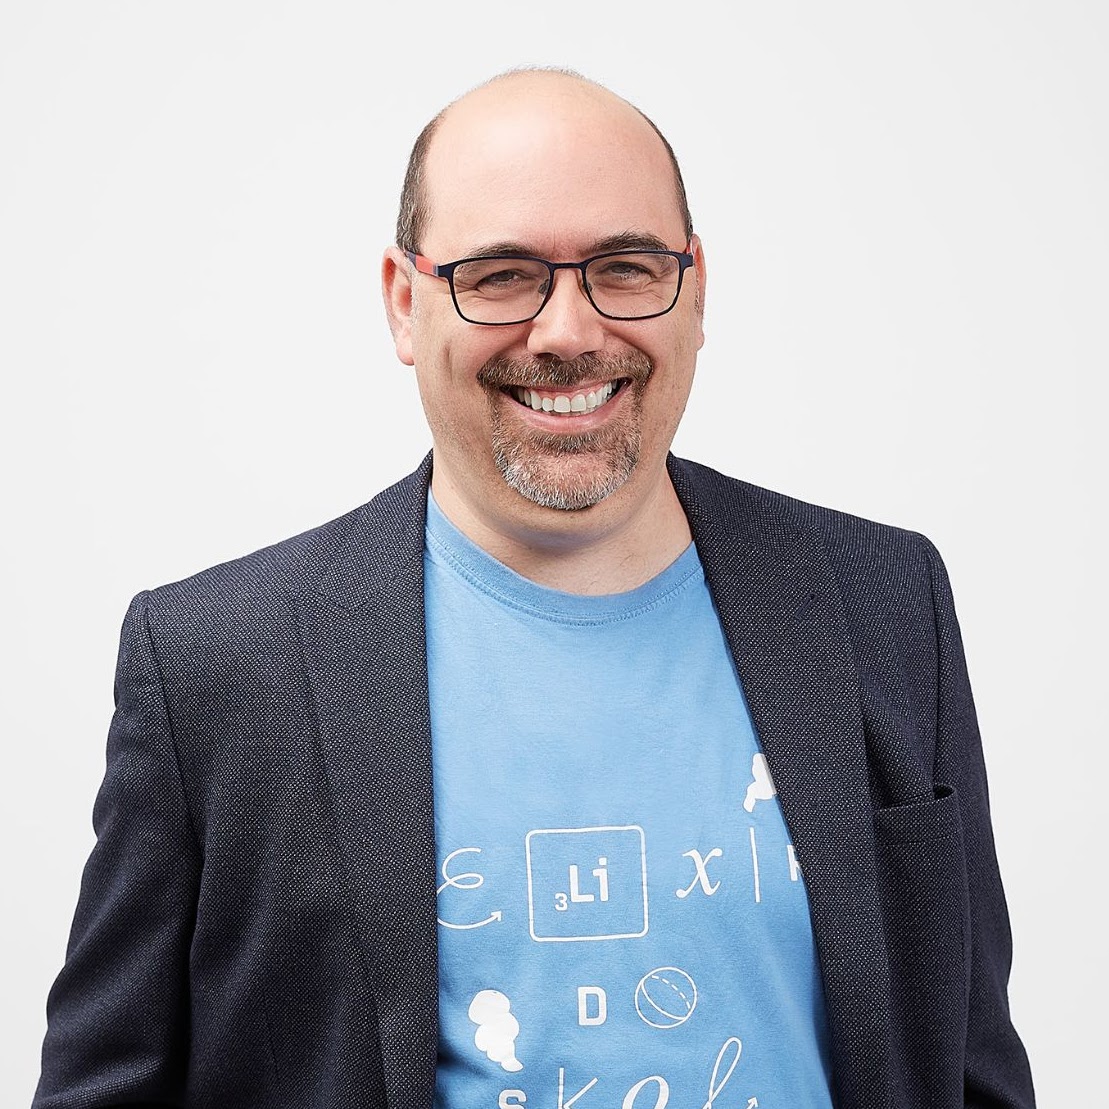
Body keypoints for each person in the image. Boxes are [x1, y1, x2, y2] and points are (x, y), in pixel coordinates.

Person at [34, 68, 1035, 1109]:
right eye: (503, 275)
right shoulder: (214, 665)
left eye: (624, 267)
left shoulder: (884, 603)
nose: (566, 332)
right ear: (404, 303)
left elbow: (970, 1064)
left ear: (694, 289)